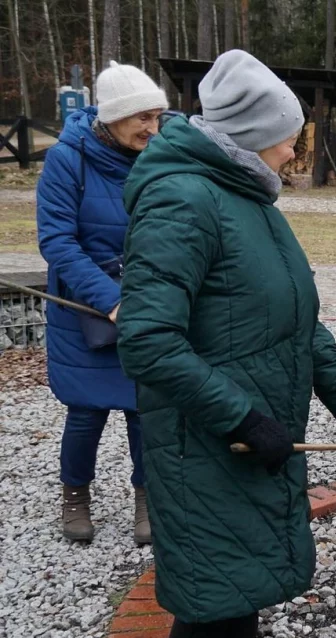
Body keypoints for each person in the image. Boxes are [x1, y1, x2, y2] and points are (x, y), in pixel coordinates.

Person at [117, 50, 336, 638]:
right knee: (209, 604)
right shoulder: (182, 202)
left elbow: (297, 327)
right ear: (253, 134)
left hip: (249, 446)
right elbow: (146, 339)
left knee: (238, 594)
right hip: (205, 447)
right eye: (289, 136)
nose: (294, 151)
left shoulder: (250, 202)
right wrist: (243, 419)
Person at [36, 61, 168, 544]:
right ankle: (76, 496)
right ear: (112, 117)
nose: (152, 128)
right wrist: (110, 301)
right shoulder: (67, 159)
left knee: (144, 408)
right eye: (142, 119)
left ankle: (147, 499)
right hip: (85, 306)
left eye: (157, 116)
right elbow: (57, 242)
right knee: (86, 410)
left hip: (146, 299)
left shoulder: (160, 155)